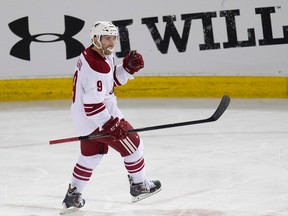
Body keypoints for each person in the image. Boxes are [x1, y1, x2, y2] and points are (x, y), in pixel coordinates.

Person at [60, 21, 161, 215]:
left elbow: (109, 82)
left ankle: (73, 195)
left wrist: (127, 69)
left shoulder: (95, 54)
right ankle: (139, 185)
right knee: (134, 145)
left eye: (113, 38)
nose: (111, 42)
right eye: (107, 38)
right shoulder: (96, 65)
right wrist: (110, 125)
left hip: (84, 119)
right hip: (97, 117)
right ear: (95, 39)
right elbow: (93, 104)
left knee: (92, 155)